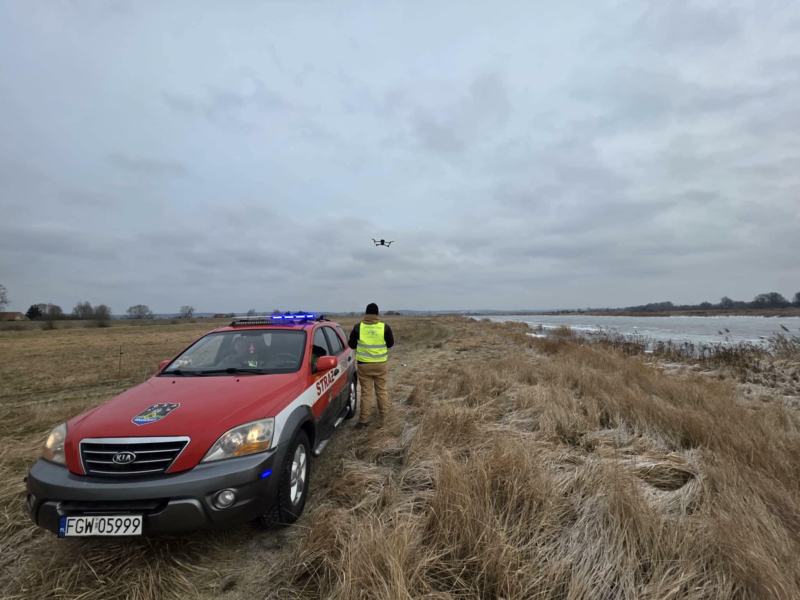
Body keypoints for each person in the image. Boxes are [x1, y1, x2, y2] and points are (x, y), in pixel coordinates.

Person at [348, 303, 395, 429]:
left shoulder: (358, 328)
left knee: (366, 393)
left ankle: (363, 420)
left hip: (364, 365)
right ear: (377, 314)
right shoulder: (384, 327)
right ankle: (385, 419)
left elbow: (351, 345)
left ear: (366, 313)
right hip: (380, 365)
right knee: (381, 391)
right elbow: (390, 344)